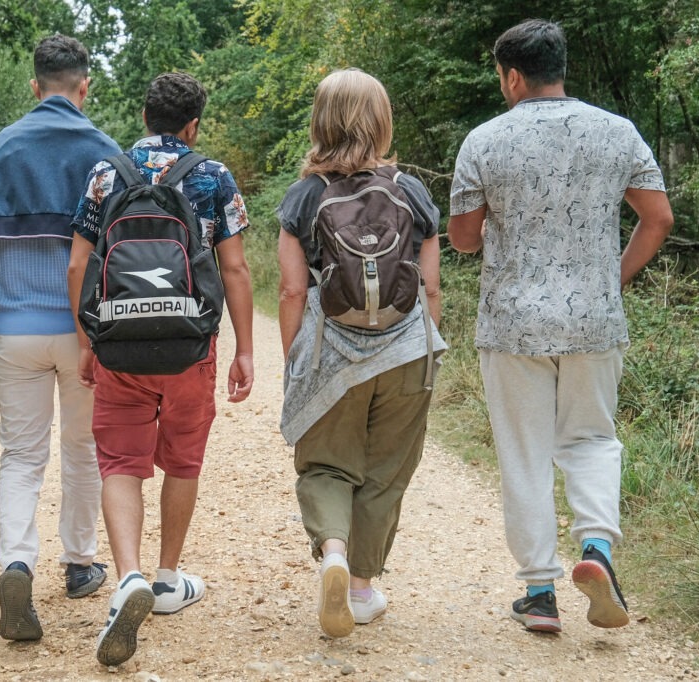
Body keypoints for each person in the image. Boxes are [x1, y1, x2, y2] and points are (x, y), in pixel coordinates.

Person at [448, 19, 674, 633]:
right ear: (560, 67)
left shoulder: (484, 140)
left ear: (512, 77)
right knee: (592, 439)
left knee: (524, 452)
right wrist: (611, 279)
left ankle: (540, 593)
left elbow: (463, 240)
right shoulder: (618, 131)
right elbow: (657, 218)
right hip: (594, 320)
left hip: (512, 324)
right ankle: (596, 548)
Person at [67, 72, 254, 667]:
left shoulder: (107, 173)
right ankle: (168, 578)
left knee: (120, 462)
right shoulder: (213, 175)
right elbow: (235, 268)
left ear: (145, 116)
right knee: (183, 458)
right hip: (189, 347)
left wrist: (88, 341)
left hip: (119, 344)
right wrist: (245, 350)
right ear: (193, 125)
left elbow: (78, 266)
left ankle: (128, 577)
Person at [0, 34, 121, 642]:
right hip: (83, 332)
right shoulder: (105, 152)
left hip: (14, 328)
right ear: (84, 87)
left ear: (34, 86)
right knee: (83, 448)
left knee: (21, 455)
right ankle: (79, 565)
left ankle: (17, 564)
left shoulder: (1, 149)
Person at [276, 68, 447, 639]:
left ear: (320, 122)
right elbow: (430, 287)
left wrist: (296, 359)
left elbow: (292, 291)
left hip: (332, 353)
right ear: (382, 122)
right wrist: (424, 350)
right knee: (385, 472)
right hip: (405, 354)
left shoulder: (303, 197)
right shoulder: (411, 191)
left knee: (326, 463)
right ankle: (361, 589)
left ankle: (332, 552)